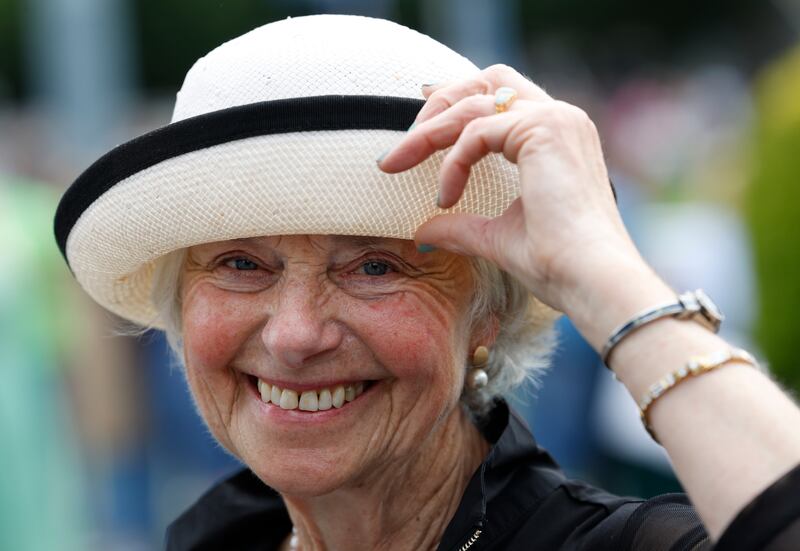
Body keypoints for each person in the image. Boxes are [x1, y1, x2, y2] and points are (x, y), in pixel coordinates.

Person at [53, 14, 800, 551]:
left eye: (375, 266)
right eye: (241, 265)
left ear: (487, 313)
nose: (294, 333)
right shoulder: (220, 534)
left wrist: (605, 273)